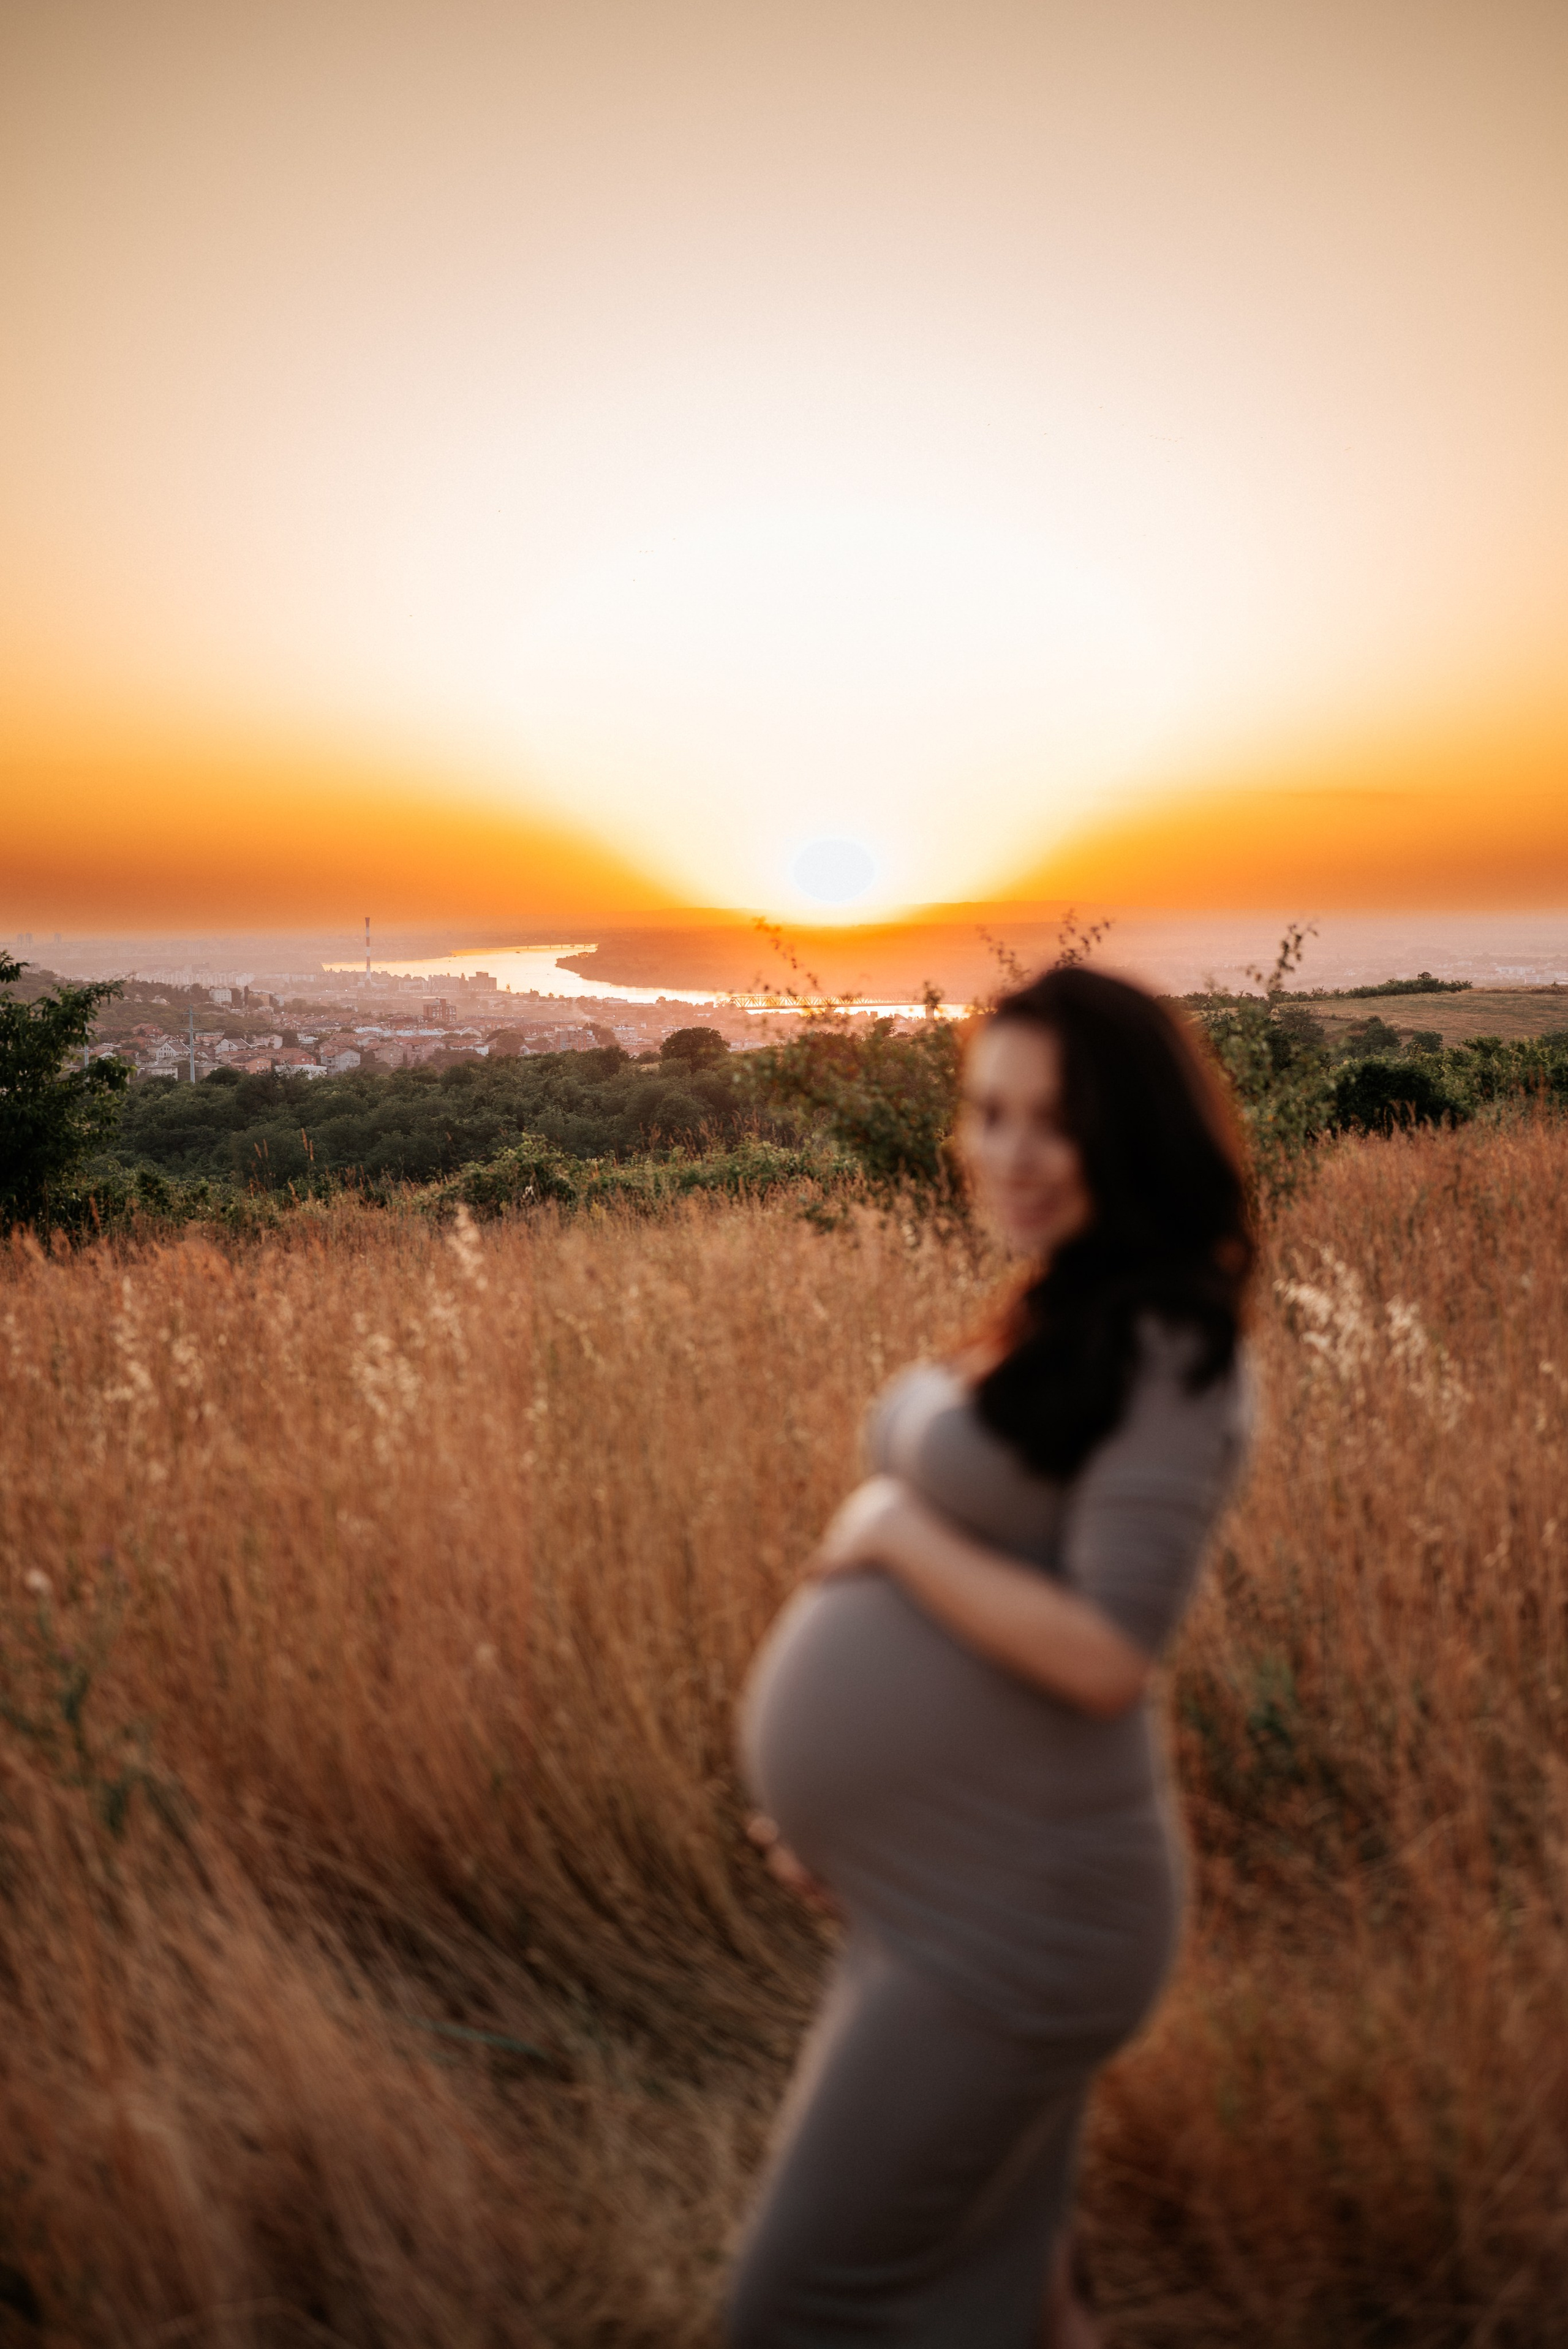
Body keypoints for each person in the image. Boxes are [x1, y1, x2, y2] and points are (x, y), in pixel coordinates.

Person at [727, 965, 1256, 2349]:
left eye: (1054, 1121)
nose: (1005, 1153)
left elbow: (1100, 1655)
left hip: (1024, 1917)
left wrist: (896, 1535)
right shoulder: (1061, 1311)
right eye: (987, 1111)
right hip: (951, 1886)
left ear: (1128, 1135)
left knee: (798, 2304)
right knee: (1013, 2299)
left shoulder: (1166, 1341)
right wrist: (863, 1824)